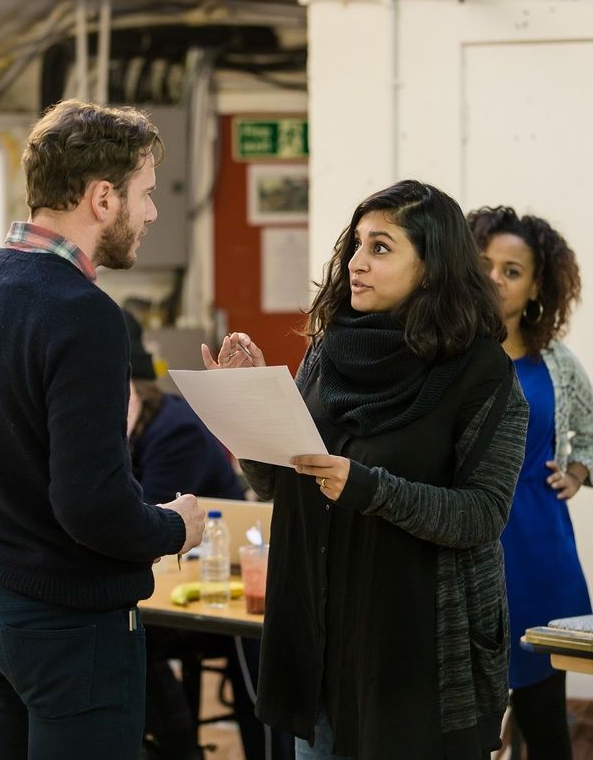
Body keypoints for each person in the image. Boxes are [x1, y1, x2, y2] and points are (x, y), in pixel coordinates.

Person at [202, 179, 529, 760]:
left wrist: (367, 487)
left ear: (431, 267)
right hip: (321, 642)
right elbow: (283, 480)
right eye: (356, 245)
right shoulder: (331, 352)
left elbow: (482, 514)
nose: (355, 263)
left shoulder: (483, 373)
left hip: (418, 660)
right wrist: (246, 405)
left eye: (380, 247)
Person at [0, 99, 205, 760]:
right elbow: (90, 504)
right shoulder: (83, 314)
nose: (153, 212)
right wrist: (176, 528)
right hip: (70, 629)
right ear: (103, 197)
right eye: (144, 195)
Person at [125, 309, 294, 760]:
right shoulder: (140, 427)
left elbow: (145, 515)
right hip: (177, 578)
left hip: (226, 573)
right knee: (129, 633)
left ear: (133, 393)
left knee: (135, 638)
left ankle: (181, 750)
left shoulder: (172, 429)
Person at [467, 205, 593, 760]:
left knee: (547, 733)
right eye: (484, 264)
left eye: (512, 270)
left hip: (543, 561)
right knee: (468, 732)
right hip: (468, 556)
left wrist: (577, 470)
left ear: (537, 285)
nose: (495, 278)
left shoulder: (556, 362)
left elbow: (587, 429)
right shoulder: (445, 353)